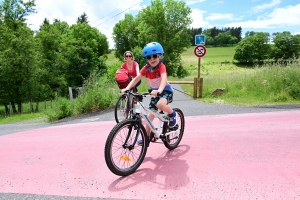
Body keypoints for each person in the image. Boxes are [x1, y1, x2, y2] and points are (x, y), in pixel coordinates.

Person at [121, 42, 177, 146]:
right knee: (149, 116)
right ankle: (146, 137)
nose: (152, 59)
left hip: (165, 91)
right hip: (155, 93)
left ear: (160, 56)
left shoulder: (161, 67)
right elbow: (136, 79)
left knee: (160, 105)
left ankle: (172, 114)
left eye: (154, 56)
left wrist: (160, 90)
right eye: (148, 57)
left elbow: (164, 78)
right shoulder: (146, 68)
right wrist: (127, 88)